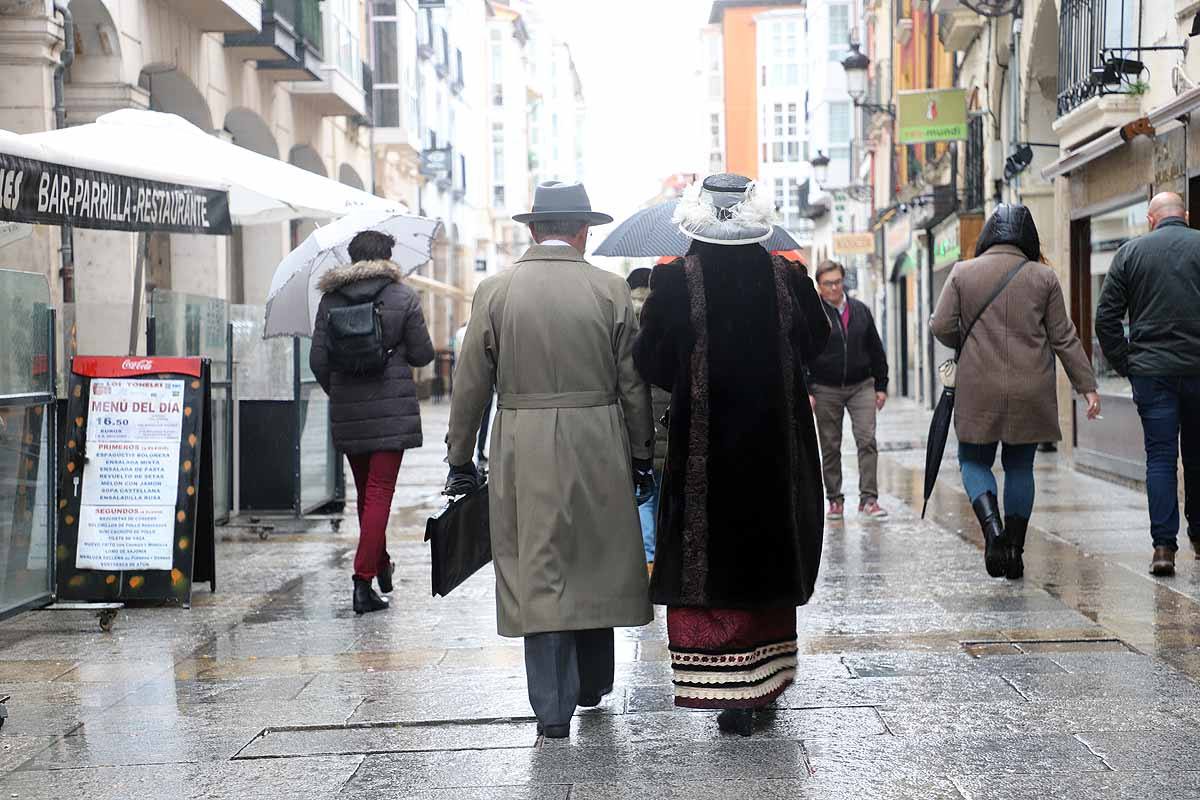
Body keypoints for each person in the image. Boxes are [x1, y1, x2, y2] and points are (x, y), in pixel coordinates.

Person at [446, 181, 655, 739]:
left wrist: (459, 459)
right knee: (594, 554)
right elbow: (633, 386)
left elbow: (470, 385)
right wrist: (641, 455)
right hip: (598, 437)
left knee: (538, 563)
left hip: (522, 439)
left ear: (533, 229)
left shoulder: (496, 290)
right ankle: (592, 684)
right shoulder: (611, 290)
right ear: (584, 230)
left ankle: (551, 708)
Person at [633, 174, 829, 737]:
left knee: (707, 551)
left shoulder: (675, 282)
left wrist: (690, 368)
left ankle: (725, 687)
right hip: (776, 440)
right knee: (767, 545)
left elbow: (649, 362)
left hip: (705, 446)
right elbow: (819, 341)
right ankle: (762, 685)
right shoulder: (787, 276)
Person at [931, 205, 1099, 580]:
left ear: (989, 234)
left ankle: (992, 533)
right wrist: (1087, 387)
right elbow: (1064, 337)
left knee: (973, 462)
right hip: (1031, 389)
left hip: (978, 388)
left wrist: (967, 341)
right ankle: (1015, 551)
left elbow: (941, 325)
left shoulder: (962, 272)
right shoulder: (1044, 278)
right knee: (1020, 466)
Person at [310, 230, 435, 614]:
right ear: (388, 255)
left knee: (367, 494)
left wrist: (343, 393)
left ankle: (381, 565)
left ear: (351, 258)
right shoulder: (402, 296)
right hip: (391, 410)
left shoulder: (330, 300)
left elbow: (318, 361)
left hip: (349, 410)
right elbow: (423, 355)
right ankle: (362, 582)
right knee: (379, 493)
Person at [1096, 191, 1200, 576]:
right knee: (1197, 456)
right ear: (1184, 216)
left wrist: (1129, 364)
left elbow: (1105, 319)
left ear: (1151, 220)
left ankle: (1163, 547)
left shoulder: (1130, 254)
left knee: (1160, 458)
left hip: (1152, 373)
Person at [806, 260, 890, 521]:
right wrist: (808, 388)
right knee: (830, 446)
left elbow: (876, 348)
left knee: (867, 440)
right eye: (828, 283)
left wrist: (881, 385)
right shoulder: (813, 314)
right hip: (825, 388)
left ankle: (869, 499)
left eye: (838, 282)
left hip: (861, 385)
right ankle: (834, 500)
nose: (834, 288)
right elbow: (804, 354)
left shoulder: (860, 311)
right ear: (819, 286)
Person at [628, 266, 669, 573]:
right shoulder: (664, 312)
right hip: (667, 404)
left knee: (645, 489)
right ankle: (665, 551)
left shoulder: (623, 313)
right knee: (666, 484)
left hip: (638, 405)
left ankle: (648, 555)